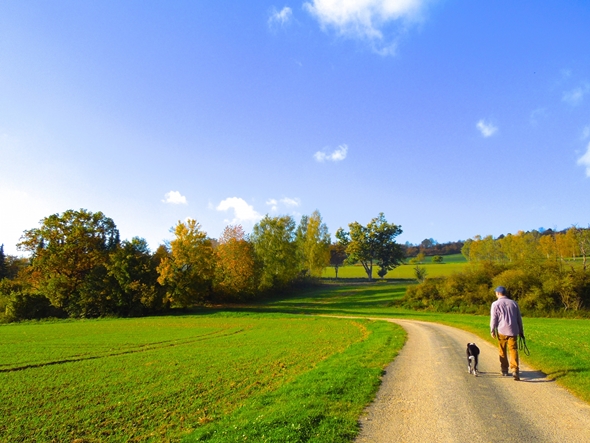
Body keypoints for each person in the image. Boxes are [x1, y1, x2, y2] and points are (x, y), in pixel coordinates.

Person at [490, 286, 524, 381]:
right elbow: (519, 319)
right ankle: (515, 370)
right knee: (513, 350)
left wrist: (492, 330)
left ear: (498, 293)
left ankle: (504, 369)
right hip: (513, 330)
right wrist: (521, 331)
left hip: (502, 330)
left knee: (502, 350)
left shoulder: (495, 304)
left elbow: (494, 318)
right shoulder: (514, 303)